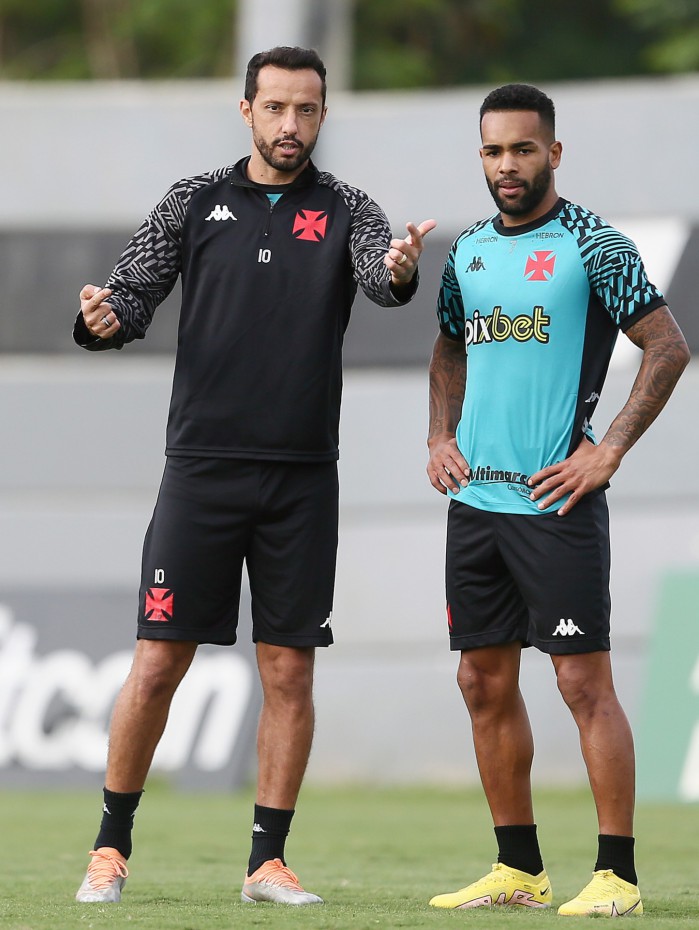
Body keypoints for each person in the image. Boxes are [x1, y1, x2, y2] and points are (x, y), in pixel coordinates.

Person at [73, 45, 435, 906]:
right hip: (200, 470)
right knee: (159, 661)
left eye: (306, 110)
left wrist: (400, 270)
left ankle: (266, 862)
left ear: (320, 114)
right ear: (246, 110)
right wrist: (100, 318)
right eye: (275, 108)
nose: (290, 125)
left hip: (303, 477)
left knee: (288, 672)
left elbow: (384, 282)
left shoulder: (348, 207)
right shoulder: (195, 200)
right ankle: (108, 848)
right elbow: (130, 296)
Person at [426, 83, 688, 917]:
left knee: (582, 685)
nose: (509, 165)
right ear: (482, 157)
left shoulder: (591, 243)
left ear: (553, 153)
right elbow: (447, 348)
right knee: (481, 681)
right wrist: (439, 438)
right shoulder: (467, 249)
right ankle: (519, 870)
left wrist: (605, 450)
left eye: (523, 149)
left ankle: (616, 876)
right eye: (494, 151)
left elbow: (666, 346)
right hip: (476, 507)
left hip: (556, 506)